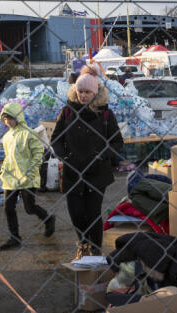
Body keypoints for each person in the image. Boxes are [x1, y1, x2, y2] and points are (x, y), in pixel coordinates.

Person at [51, 72, 124, 257]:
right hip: (72, 171)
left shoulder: (106, 113)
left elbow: (117, 142)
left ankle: (96, 249)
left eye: (87, 92)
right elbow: (56, 139)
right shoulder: (67, 111)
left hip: (97, 172)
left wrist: (102, 155)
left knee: (92, 213)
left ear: (95, 93)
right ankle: (83, 245)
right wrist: (64, 156)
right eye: (80, 91)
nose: (82, 95)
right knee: (76, 214)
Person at [0, 102, 55, 250]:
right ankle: (14, 237)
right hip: (11, 177)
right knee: (8, 208)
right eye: (5, 119)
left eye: (10, 118)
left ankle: (48, 219)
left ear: (17, 117)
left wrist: (32, 170)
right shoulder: (7, 137)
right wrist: (3, 169)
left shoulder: (28, 133)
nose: (7, 122)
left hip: (27, 177)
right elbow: (8, 156)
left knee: (29, 208)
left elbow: (38, 153)